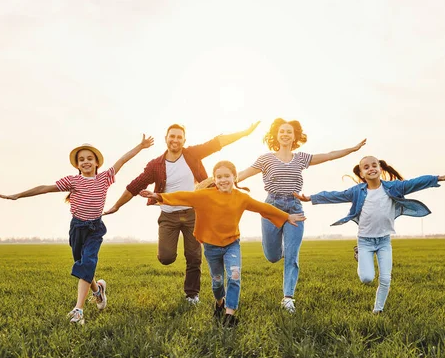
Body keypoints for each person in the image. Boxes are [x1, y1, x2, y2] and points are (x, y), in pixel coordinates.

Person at [0, 135, 155, 324]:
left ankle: (78, 310)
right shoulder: (72, 181)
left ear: (97, 162)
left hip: (95, 228)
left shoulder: (105, 178)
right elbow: (45, 188)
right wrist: (18, 195)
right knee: (83, 266)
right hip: (77, 229)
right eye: (82, 160)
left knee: (87, 263)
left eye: (90, 158)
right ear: (77, 165)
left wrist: (141, 146)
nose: (86, 162)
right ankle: (98, 291)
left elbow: (123, 160)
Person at [104, 122, 261, 305]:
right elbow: (135, 185)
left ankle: (192, 294)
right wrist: (117, 206)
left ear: (184, 140)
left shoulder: (192, 154)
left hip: (193, 213)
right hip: (168, 215)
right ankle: (171, 259)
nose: (175, 140)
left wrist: (244, 132)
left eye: (179, 137)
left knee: (194, 256)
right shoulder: (155, 165)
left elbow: (217, 142)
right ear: (166, 139)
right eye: (172, 136)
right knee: (166, 257)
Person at [139, 160, 306, 327]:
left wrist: (286, 217)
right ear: (214, 178)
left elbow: (263, 208)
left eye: (227, 176)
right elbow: (183, 196)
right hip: (211, 247)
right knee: (217, 282)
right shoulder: (204, 195)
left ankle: (229, 315)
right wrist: (158, 196)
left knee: (234, 276)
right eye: (219, 177)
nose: (223, 180)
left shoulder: (241, 198)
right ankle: (219, 303)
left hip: (231, 244)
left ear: (234, 177)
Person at [236, 118, 366, 313]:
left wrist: (352, 149)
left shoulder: (301, 158)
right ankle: (280, 249)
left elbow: (329, 155)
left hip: (294, 208)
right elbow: (243, 173)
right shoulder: (266, 159)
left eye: (289, 132)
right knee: (272, 256)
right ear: (276, 136)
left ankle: (288, 298)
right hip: (271, 207)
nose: (285, 134)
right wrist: (218, 181)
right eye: (282, 132)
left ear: (295, 136)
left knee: (292, 255)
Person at [294, 156, 445, 314]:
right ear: (362, 174)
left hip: (384, 241)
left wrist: (437, 178)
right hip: (365, 242)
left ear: (380, 168)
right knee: (367, 278)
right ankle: (359, 253)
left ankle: (378, 310)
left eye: (374, 165)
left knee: (385, 279)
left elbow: (414, 183)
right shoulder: (357, 191)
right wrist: (311, 198)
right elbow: (335, 195)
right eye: (366, 167)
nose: (371, 168)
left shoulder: (393, 187)